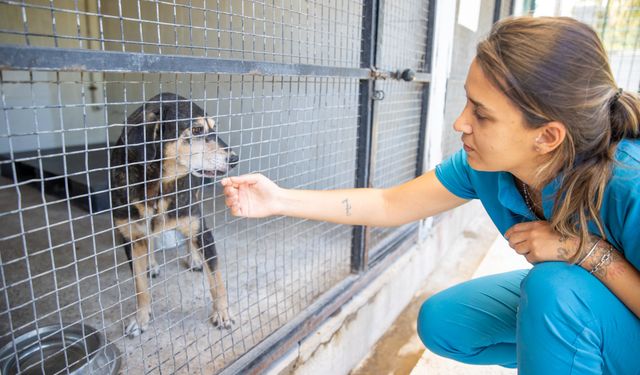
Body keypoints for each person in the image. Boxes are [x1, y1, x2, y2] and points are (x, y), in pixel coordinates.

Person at [221, 16, 640, 374]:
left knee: (553, 290)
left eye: (481, 113)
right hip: (591, 304)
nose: (460, 123)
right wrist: (279, 200)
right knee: (444, 322)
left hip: (597, 304)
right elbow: (389, 204)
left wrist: (584, 252)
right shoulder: (488, 168)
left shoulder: (629, 183)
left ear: (547, 136)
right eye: (467, 103)